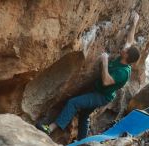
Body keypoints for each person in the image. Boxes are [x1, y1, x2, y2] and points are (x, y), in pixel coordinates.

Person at [36, 12, 140, 140]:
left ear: (126, 56)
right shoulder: (125, 57)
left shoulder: (123, 73)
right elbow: (130, 40)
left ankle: (49, 129)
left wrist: (105, 62)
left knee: (73, 103)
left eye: (125, 50)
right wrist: (134, 22)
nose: (124, 48)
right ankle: (83, 142)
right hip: (98, 90)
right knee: (84, 115)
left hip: (101, 96)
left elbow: (106, 81)